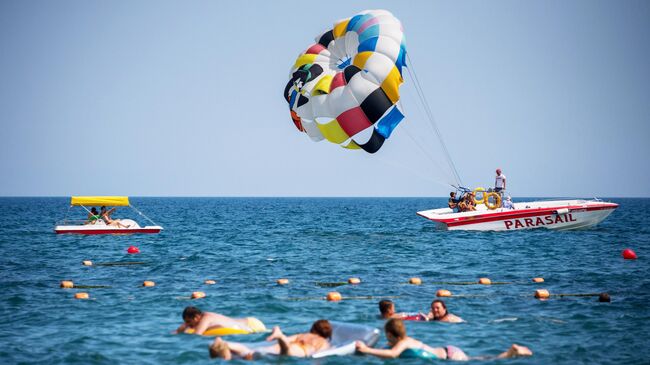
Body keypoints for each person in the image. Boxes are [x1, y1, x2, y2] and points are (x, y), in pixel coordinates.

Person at [355, 318, 532, 361]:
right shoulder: (400, 342)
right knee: (482, 359)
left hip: (450, 356)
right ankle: (511, 353)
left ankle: (511, 353)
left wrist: (366, 350)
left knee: (486, 360)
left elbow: (393, 355)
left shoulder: (404, 343)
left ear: (391, 334)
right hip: (447, 350)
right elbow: (386, 351)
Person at [209, 319, 332, 360]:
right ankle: (279, 337)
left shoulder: (303, 335)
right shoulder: (323, 341)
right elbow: (319, 354)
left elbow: (289, 339)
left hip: (272, 348)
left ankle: (224, 343)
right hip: (299, 350)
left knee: (248, 352)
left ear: (313, 328)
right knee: (286, 351)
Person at [175, 306, 267, 335]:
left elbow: (197, 334)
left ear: (197, 317)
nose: (188, 325)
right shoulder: (202, 316)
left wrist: (184, 333)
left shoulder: (206, 318)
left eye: (189, 322)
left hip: (252, 324)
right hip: (251, 321)